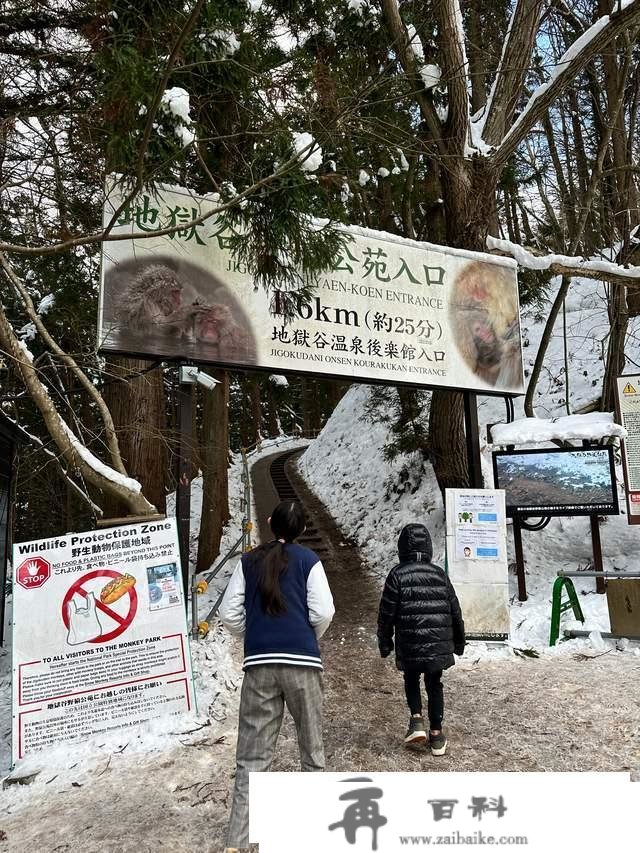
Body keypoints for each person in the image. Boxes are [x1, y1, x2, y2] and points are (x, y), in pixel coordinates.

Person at [219, 500, 335, 852]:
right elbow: (324, 610)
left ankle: (237, 842)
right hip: (302, 663)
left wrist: (252, 635)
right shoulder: (308, 562)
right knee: (312, 750)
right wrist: (306, 637)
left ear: (271, 525)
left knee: (252, 757)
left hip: (259, 665)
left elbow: (228, 612)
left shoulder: (248, 561)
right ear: (300, 530)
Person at [377, 522, 465, 756]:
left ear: (402, 548)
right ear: (428, 547)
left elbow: (386, 614)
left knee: (412, 677)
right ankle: (436, 735)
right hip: (438, 642)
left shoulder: (397, 574)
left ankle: (416, 720)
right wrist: (459, 642)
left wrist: (385, 642)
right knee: (435, 683)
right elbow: (455, 610)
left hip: (409, 640)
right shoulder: (439, 574)